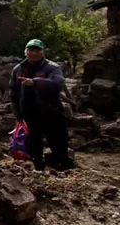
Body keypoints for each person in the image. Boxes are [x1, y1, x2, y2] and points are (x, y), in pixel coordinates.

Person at [9, 39, 73, 172]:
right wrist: (17, 113)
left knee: (58, 141)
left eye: (37, 50)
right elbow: (13, 92)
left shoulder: (52, 67)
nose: (33, 53)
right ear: (25, 52)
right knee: (34, 144)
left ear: (42, 52)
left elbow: (57, 85)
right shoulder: (18, 69)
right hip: (30, 113)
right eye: (30, 50)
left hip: (52, 111)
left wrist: (35, 83)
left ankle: (63, 168)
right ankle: (39, 169)